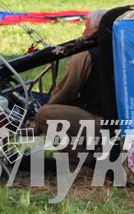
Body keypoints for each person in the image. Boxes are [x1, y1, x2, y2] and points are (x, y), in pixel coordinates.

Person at [34, 10, 106, 160]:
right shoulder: (127, 48)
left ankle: (85, 162)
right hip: (131, 120)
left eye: (86, 27)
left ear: (96, 29)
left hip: (104, 122)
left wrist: (38, 125)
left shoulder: (85, 54)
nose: (83, 31)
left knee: (44, 115)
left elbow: (66, 92)